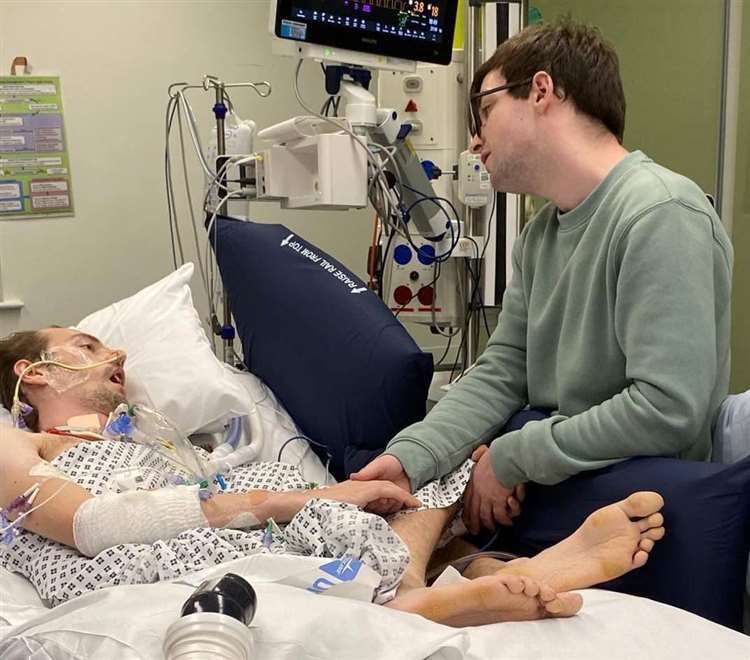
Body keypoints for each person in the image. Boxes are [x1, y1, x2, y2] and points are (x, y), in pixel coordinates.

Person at [0, 327, 666, 626]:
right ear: (33, 373)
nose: (115, 351)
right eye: (86, 347)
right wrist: (310, 496)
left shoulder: (159, 443)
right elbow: (94, 525)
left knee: (436, 469)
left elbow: (214, 491)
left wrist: (294, 496)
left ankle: (479, 576)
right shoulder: (20, 444)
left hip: (211, 527)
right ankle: (420, 598)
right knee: (330, 515)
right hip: (122, 563)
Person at [353, 17, 733, 537]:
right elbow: (505, 368)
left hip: (641, 513)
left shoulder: (660, 213)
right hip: (566, 490)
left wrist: (516, 455)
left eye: (486, 111)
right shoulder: (540, 236)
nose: (475, 142)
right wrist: (411, 457)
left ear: (541, 91)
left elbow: (666, 410)